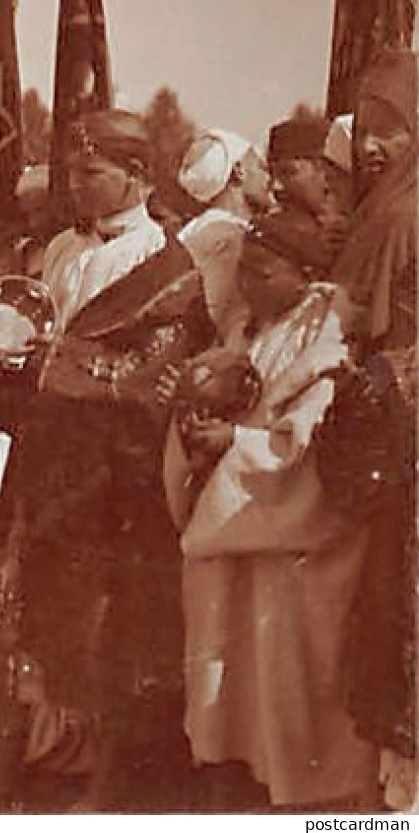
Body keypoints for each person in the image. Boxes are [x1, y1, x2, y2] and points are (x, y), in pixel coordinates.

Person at [0, 110, 215, 813]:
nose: (76, 185)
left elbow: (152, 370)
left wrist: (57, 364)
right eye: (70, 172)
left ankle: (100, 791)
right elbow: (41, 338)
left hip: (113, 477)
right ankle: (2, 780)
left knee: (102, 626)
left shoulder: (168, 267)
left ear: (137, 175)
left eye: (91, 173)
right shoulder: (58, 250)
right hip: (43, 460)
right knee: (20, 611)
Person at [164, 212, 375, 808]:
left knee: (288, 677)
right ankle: (248, 783)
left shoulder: (330, 340)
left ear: (307, 275)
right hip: (236, 524)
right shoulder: (249, 331)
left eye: (264, 271)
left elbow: (311, 439)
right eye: (245, 271)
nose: (250, 283)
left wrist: (235, 443)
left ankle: (315, 801)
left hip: (291, 543)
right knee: (235, 676)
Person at [323, 47, 419, 811]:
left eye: (391, 126)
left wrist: (396, 372)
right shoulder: (378, 210)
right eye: (364, 127)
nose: (369, 144)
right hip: (387, 435)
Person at [334, 48, 416, 356]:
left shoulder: (405, 219)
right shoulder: (372, 213)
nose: (367, 146)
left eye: (384, 131)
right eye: (362, 131)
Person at [176, 128, 269, 346]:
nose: (269, 179)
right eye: (261, 167)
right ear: (239, 171)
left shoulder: (197, 228)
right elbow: (229, 319)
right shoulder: (227, 235)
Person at [267, 118, 348, 264]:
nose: (276, 187)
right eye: (271, 174)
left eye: (288, 172)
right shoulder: (268, 239)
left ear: (324, 170)